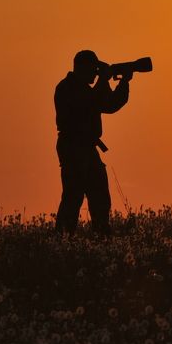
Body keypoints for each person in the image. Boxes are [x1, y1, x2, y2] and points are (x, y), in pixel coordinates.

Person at [54, 50, 132, 235]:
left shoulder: (88, 89)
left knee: (100, 197)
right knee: (73, 196)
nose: (95, 73)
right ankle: (62, 239)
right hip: (73, 147)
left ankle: (101, 236)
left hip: (88, 148)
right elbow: (85, 104)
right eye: (93, 69)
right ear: (81, 67)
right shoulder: (66, 88)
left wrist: (124, 82)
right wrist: (103, 80)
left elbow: (109, 104)